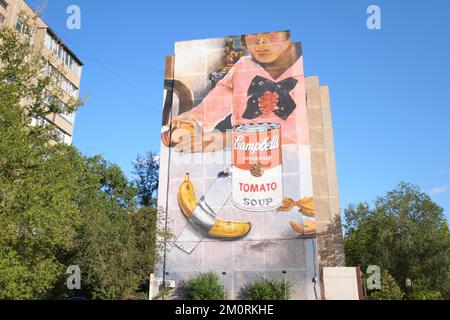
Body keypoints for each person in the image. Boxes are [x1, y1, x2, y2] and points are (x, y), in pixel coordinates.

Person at [162, 30, 309, 153]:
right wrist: (187, 125)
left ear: (288, 37)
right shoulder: (242, 67)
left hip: (291, 168)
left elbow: (297, 139)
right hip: (243, 166)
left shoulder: (305, 74)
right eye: (253, 34)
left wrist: (228, 139)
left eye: (270, 31)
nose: (260, 40)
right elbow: (207, 110)